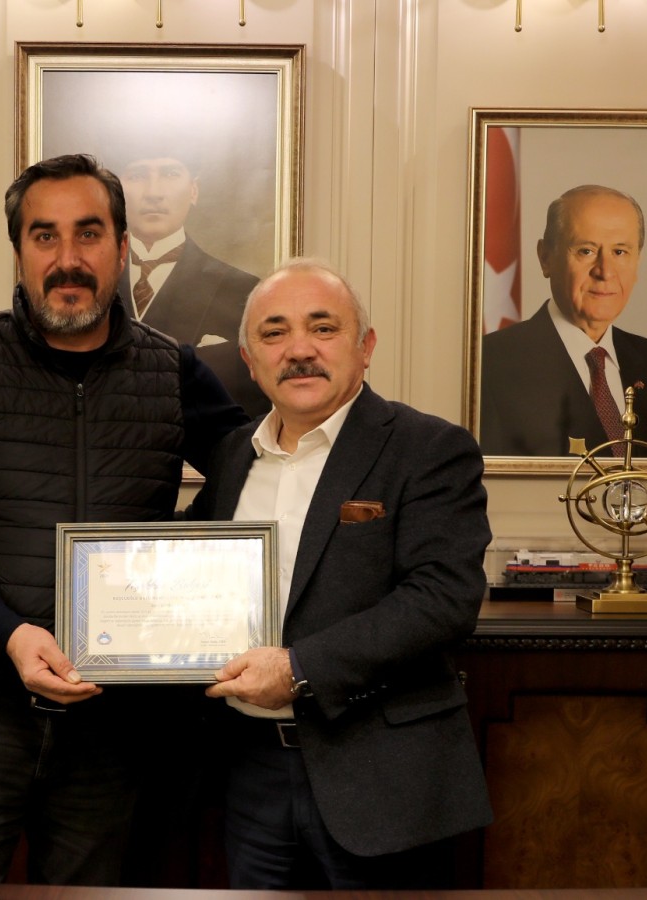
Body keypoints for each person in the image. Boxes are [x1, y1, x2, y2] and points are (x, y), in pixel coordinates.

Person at [0, 153, 247, 886]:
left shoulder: (172, 370)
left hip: (111, 728)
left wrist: (170, 558)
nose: (67, 258)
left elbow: (254, 475)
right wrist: (10, 635)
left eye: (89, 234)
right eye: (45, 236)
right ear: (19, 251)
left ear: (121, 248)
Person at [188, 258, 493, 890]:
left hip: (380, 777)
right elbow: (190, 572)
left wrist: (298, 669)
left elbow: (442, 599)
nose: (299, 349)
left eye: (323, 328)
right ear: (250, 360)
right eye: (274, 333)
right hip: (249, 773)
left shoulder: (428, 449)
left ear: (365, 347)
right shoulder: (232, 456)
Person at [480, 184, 647, 457]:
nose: (605, 271)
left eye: (620, 252)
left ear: (638, 261)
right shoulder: (489, 366)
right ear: (545, 258)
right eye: (586, 251)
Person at [113, 148, 268, 417]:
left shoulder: (242, 291)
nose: (153, 192)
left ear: (193, 191)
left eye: (170, 174)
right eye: (137, 175)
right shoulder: (89, 287)